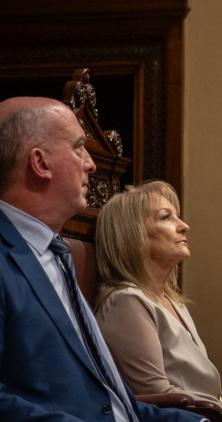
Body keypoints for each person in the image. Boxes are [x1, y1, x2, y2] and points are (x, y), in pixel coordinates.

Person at [0, 97, 202, 422]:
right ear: (40, 163)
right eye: (79, 147)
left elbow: (116, 403)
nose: (91, 164)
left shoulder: (56, 255)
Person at [94, 180, 222, 418]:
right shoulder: (125, 302)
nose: (184, 226)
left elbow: (194, 390)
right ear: (132, 235)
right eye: (166, 217)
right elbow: (158, 394)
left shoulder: (174, 302)